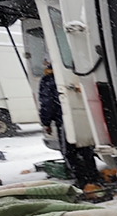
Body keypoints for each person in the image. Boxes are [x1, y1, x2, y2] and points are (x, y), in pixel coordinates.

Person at [38, 59, 100, 188]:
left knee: (69, 153)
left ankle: (81, 179)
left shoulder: (49, 80)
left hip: (64, 120)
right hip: (82, 117)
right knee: (85, 148)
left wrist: (46, 122)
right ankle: (94, 177)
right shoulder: (78, 75)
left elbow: (47, 103)